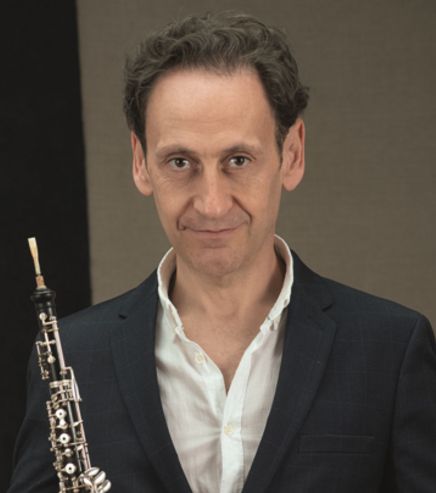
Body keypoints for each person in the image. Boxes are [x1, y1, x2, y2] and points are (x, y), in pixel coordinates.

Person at [8, 12, 436, 493]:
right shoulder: (75, 355)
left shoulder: (391, 350)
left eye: (238, 160)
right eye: (180, 161)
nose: (211, 203)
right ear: (141, 162)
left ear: (292, 154)